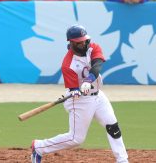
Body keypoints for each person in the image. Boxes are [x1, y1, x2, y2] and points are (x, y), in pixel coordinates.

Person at [31, 25, 129, 163]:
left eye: (84, 40)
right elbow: (73, 90)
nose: (83, 43)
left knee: (113, 126)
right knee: (76, 139)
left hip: (98, 96)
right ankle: (39, 147)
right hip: (80, 101)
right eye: (79, 42)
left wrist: (88, 80)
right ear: (71, 43)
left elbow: (97, 65)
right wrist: (76, 91)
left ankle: (122, 160)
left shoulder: (93, 47)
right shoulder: (67, 64)